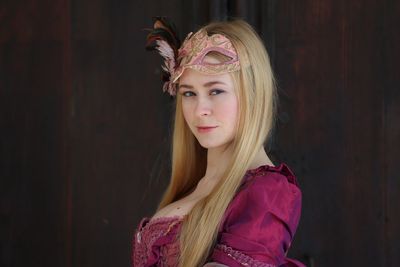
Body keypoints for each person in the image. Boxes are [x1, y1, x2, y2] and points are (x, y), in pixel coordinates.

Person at [132, 17, 305, 267]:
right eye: (189, 93)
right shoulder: (194, 186)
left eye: (216, 91)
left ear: (253, 94)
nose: (200, 109)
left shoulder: (268, 192)